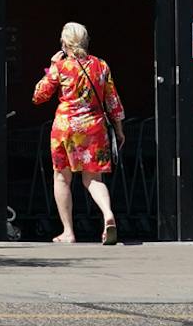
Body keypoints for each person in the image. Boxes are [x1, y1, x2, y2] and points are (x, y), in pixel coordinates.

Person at [33, 21, 126, 245]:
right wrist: (119, 129)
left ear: (65, 42)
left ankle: (68, 232)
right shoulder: (101, 65)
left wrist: (51, 66)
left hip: (65, 129)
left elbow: (39, 95)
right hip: (94, 127)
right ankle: (107, 214)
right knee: (93, 178)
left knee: (61, 178)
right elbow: (112, 100)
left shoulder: (61, 67)